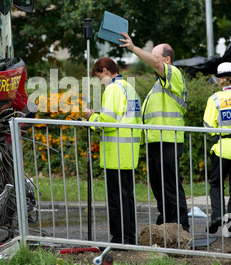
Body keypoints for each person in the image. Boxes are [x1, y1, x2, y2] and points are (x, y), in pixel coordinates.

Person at [119, 33, 189, 231]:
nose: (151, 59)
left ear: (166, 59)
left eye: (155, 56)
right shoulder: (159, 84)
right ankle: (166, 224)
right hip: (155, 140)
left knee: (170, 186)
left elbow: (157, 66)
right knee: (159, 187)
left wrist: (133, 48)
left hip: (168, 139)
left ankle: (180, 227)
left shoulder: (173, 73)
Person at [83, 57, 142, 244]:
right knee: (127, 198)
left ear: (106, 71)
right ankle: (129, 237)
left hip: (115, 152)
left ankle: (119, 239)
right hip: (128, 151)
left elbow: (107, 122)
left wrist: (91, 117)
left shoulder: (113, 89)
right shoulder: (129, 87)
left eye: (99, 77)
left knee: (116, 201)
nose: (100, 82)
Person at [203, 62, 231, 234]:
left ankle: (218, 215)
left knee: (216, 184)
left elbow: (207, 125)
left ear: (221, 79)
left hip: (222, 148)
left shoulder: (215, 98)